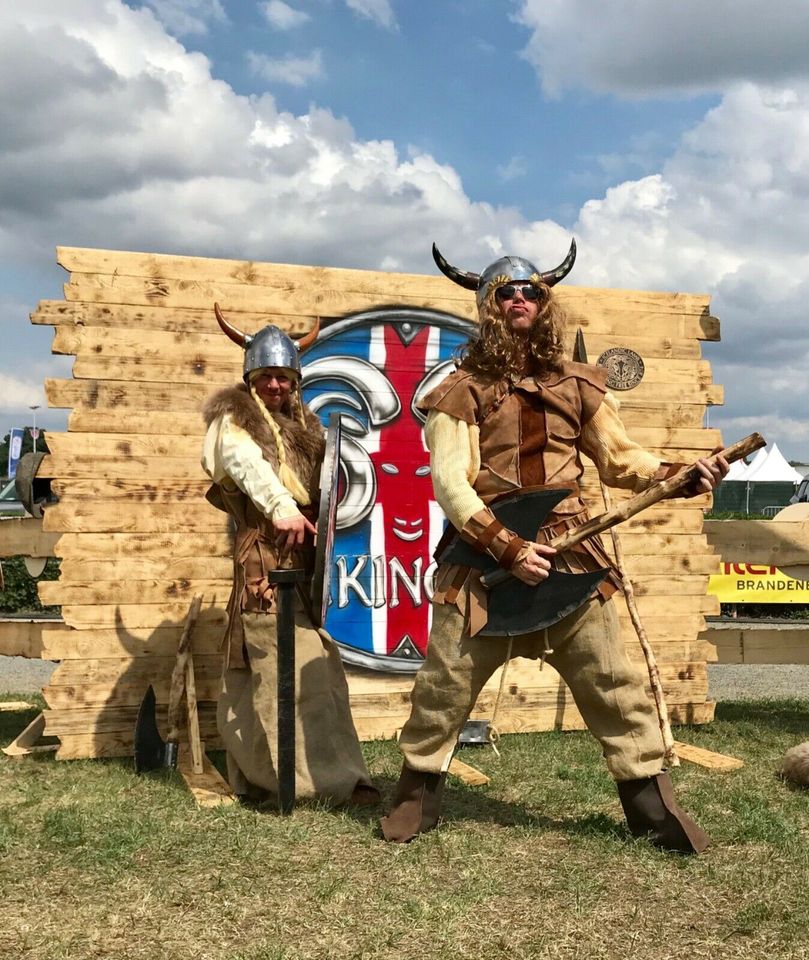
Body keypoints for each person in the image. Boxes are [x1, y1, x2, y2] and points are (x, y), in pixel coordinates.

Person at [380, 242, 728, 851]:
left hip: (572, 557)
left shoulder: (577, 386)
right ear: (489, 307)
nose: (521, 300)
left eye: (532, 292)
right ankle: (414, 799)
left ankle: (653, 809)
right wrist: (508, 546)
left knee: (616, 684)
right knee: (444, 688)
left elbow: (621, 460)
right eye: (507, 293)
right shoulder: (460, 391)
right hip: (483, 568)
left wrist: (679, 473)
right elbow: (450, 484)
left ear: (545, 305)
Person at [202, 304, 378, 806]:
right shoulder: (232, 421)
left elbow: (318, 491)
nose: (276, 386)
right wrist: (280, 506)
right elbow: (244, 464)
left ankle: (305, 777)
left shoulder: (304, 424)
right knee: (280, 669)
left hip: (299, 567)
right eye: (266, 378)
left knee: (305, 668)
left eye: (283, 377)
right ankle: (305, 785)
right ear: (250, 379)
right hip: (263, 564)